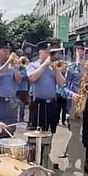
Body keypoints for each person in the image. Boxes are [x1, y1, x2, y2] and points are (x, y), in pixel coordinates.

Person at [65, 41, 88, 174]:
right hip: (76, 103)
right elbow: (63, 86)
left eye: (85, 49)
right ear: (76, 51)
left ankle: (85, 162)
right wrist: (72, 94)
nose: (82, 51)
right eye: (80, 49)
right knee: (74, 134)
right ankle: (71, 162)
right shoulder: (72, 67)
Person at [26, 41, 65, 169]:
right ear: (40, 52)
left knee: (50, 132)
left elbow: (61, 83)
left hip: (52, 104)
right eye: (47, 52)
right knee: (35, 133)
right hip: (38, 104)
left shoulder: (53, 66)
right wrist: (45, 64)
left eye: (51, 52)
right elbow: (32, 77)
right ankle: (33, 160)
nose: (50, 55)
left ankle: (45, 156)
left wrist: (57, 70)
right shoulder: (33, 65)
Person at [0, 40, 21, 134]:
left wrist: (14, 67)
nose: (7, 53)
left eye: (8, 51)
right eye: (4, 51)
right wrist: (7, 63)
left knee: (11, 128)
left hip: (10, 101)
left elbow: (18, 80)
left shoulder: (11, 66)